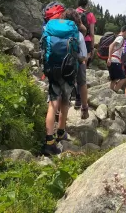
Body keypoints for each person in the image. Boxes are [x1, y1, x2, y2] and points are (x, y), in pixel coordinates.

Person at [41, 14, 81, 156]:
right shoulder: (75, 32)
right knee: (65, 102)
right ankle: (61, 132)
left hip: (52, 69)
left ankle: (49, 142)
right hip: (68, 71)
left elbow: (43, 48)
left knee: (52, 105)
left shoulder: (50, 27)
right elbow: (81, 55)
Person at [64, 8, 89, 120]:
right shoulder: (78, 34)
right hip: (75, 64)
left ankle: (58, 113)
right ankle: (84, 109)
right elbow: (83, 56)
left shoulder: (56, 32)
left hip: (59, 64)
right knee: (82, 83)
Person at [107, 26, 126, 92]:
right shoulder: (120, 38)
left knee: (114, 79)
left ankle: (110, 93)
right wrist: (109, 58)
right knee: (123, 78)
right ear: (125, 31)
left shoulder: (118, 37)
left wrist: (109, 58)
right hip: (115, 60)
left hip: (113, 60)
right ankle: (115, 92)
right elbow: (111, 46)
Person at [76, 0, 96, 68]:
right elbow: (92, 33)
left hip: (75, 37)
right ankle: (83, 73)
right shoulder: (90, 15)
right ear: (86, 4)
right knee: (85, 58)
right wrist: (92, 48)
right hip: (86, 40)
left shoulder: (74, 12)